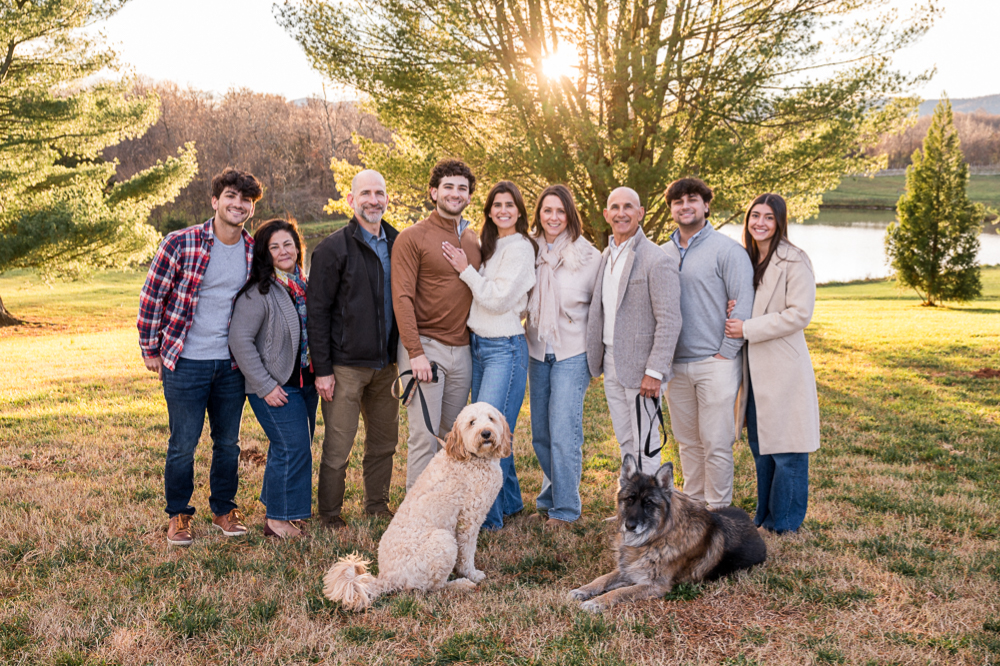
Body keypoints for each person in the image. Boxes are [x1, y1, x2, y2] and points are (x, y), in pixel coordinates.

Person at [137, 168, 263, 547]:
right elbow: (151, 297)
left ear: (251, 208)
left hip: (231, 364)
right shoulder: (181, 242)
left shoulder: (254, 251)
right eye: (231, 196)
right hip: (185, 361)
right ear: (215, 201)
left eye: (246, 200)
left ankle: (224, 509)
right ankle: (178, 515)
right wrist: (150, 348)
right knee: (183, 443)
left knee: (228, 443)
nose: (237, 204)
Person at [307, 170, 400, 530]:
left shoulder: (398, 243)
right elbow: (317, 313)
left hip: (386, 366)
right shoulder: (333, 249)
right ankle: (330, 514)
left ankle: (376, 505)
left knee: (384, 443)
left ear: (387, 199)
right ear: (351, 199)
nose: (373, 199)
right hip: (344, 367)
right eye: (366, 193)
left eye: (379, 192)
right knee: (338, 446)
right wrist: (323, 370)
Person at [441, 181, 537, 530]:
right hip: (479, 346)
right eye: (496, 205)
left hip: (504, 350)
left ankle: (488, 520)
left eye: (509, 205)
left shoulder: (522, 248)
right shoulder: (495, 245)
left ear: (520, 210)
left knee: (488, 437)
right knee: (496, 430)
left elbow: (496, 299)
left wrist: (464, 269)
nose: (502, 210)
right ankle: (509, 505)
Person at [725, 193, 820, 533]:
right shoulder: (747, 259)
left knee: (788, 451)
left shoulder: (795, 260)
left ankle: (785, 524)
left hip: (783, 369)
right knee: (762, 449)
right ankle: (763, 517)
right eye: (754, 216)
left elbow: (800, 314)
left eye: (768, 217)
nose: (760, 223)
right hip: (753, 371)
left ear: (780, 222)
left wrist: (747, 328)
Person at [661, 177, 754, 510]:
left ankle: (719, 511)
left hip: (715, 362)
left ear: (706, 205)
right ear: (671, 209)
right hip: (674, 365)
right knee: (687, 443)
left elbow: (743, 301)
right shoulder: (662, 253)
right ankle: (695, 508)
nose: (685, 206)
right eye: (678, 202)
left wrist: (724, 354)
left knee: (715, 443)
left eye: (692, 200)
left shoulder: (727, 250)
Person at [392, 159, 483, 489]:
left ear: (469, 196)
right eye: (448, 187)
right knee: (423, 438)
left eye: (462, 188)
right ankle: (417, 520)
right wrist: (415, 352)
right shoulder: (412, 237)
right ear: (434, 192)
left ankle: (446, 506)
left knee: (453, 438)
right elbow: (401, 298)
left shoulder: (473, 240)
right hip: (425, 349)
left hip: (463, 351)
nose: (455, 193)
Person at [229, 219, 317, 539]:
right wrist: (265, 385)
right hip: (273, 385)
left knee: (294, 446)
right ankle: (278, 521)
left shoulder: (302, 285)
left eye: (288, 244)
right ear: (265, 254)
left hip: (305, 381)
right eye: (274, 246)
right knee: (291, 446)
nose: (283, 251)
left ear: (298, 247)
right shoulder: (259, 291)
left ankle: (281, 508)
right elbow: (240, 341)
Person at [586, 187, 682, 474]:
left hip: (643, 370)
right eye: (614, 207)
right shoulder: (606, 255)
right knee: (625, 440)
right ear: (606, 215)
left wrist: (655, 372)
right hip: (611, 362)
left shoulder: (656, 258)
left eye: (629, 206)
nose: (621, 212)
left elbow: (670, 320)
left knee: (648, 443)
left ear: (640, 213)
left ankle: (653, 514)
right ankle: (631, 507)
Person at [524, 185, 601, 529]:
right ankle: (551, 493)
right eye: (547, 211)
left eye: (560, 211)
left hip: (573, 351)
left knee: (563, 430)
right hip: (537, 350)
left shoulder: (589, 256)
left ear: (570, 214)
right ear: (539, 214)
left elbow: (601, 309)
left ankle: (566, 510)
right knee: (540, 432)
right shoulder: (528, 249)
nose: (553, 217)